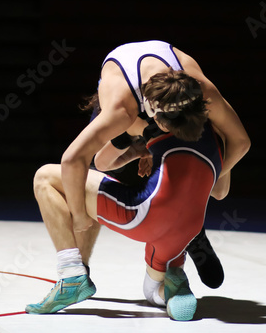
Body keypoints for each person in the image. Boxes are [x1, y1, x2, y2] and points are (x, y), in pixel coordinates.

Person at [26, 70, 230, 320]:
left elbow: (96, 162)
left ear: (162, 119)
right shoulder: (218, 135)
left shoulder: (146, 124)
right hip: (186, 229)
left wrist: (137, 149)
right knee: (153, 284)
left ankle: (71, 276)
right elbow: (220, 191)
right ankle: (172, 282)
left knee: (45, 176)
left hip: (144, 217)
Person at [77, 40, 250, 288]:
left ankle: (189, 224)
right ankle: (77, 269)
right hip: (129, 103)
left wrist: (207, 179)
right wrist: (146, 149)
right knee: (103, 166)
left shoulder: (202, 91)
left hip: (162, 102)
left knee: (220, 189)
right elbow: (100, 162)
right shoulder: (120, 107)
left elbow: (241, 142)